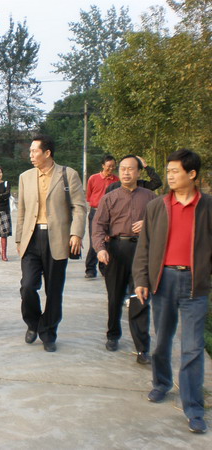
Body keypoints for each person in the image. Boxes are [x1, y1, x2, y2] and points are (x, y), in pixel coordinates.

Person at [133, 149, 212, 434]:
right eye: (168, 171)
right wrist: (141, 278)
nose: (170, 176)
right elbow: (144, 246)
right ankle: (162, 383)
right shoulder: (157, 206)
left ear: (192, 174)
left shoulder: (208, 207)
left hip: (195, 283)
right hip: (163, 280)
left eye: (175, 171)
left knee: (192, 347)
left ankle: (193, 407)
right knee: (162, 340)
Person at [16, 135, 86, 352]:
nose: (30, 155)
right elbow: (22, 211)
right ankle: (33, 323)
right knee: (28, 286)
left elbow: (79, 207)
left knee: (54, 291)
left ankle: (48, 332)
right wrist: (19, 239)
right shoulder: (25, 177)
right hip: (31, 239)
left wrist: (76, 234)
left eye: (34, 151)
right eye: (30, 151)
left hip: (57, 239)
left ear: (47, 153)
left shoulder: (68, 174)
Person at [91, 155, 156, 364]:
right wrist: (100, 249)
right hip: (116, 250)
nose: (126, 172)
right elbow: (98, 226)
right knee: (115, 296)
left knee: (140, 298)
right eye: (123, 169)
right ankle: (113, 334)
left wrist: (147, 223)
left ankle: (142, 348)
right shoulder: (110, 197)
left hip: (142, 251)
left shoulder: (150, 197)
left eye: (131, 169)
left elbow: (163, 223)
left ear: (139, 172)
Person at [85, 155, 118, 278]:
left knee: (107, 241)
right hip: (95, 212)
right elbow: (89, 196)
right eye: (108, 166)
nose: (111, 168)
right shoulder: (93, 178)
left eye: (113, 166)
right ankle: (90, 269)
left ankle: (104, 268)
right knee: (95, 240)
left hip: (111, 214)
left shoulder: (117, 180)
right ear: (103, 165)